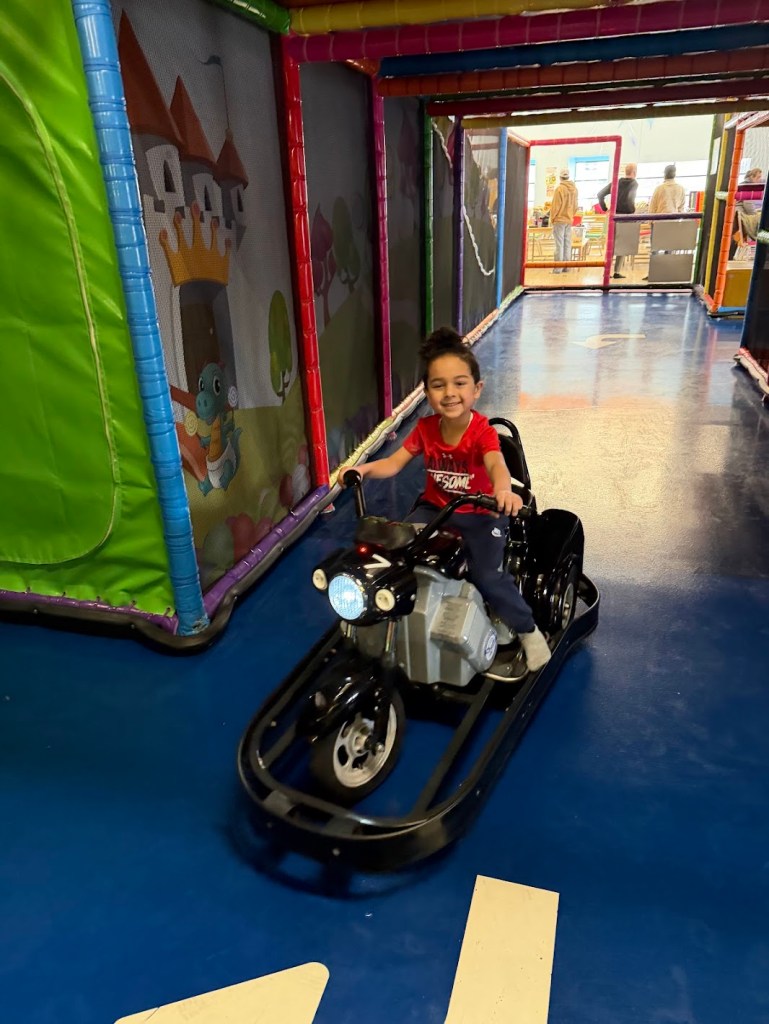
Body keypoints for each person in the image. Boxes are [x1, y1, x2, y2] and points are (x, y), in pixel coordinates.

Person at [351, 328, 552, 672]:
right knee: (398, 554)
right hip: (436, 509)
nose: (449, 393)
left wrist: (503, 491)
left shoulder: (482, 432)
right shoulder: (426, 429)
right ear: (427, 392)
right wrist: (363, 469)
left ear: (477, 389)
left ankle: (529, 632)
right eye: (438, 385)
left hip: (482, 512)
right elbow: (394, 463)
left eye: (460, 383)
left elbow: (497, 465)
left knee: (487, 576)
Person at [596, 163, 638, 278]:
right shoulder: (634, 184)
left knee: (611, 244)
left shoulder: (616, 183)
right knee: (622, 244)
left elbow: (600, 194)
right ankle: (617, 271)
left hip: (614, 216)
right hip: (627, 217)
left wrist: (605, 208)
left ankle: (607, 271)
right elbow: (630, 200)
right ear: (634, 172)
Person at [550, 169, 579, 274]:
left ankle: (558, 268)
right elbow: (575, 206)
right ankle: (567, 267)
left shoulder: (559, 189)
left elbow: (555, 206)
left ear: (560, 177)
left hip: (559, 220)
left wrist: (552, 218)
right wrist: (571, 215)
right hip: (569, 220)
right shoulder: (574, 189)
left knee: (559, 244)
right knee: (567, 243)